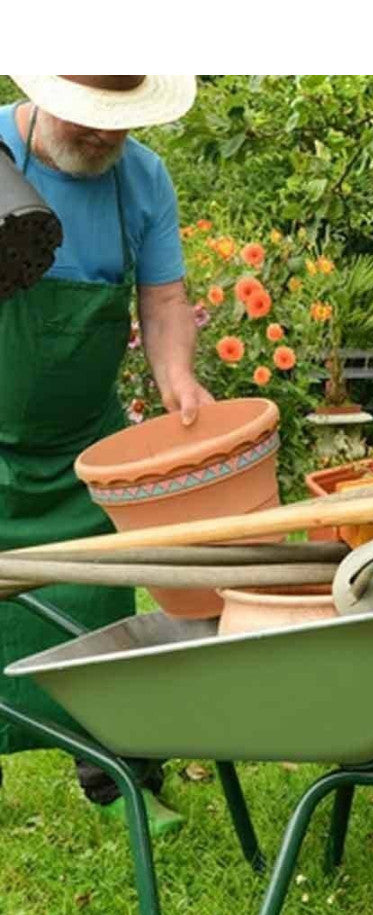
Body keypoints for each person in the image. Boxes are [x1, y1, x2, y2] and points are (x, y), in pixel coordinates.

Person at [0, 75, 213, 835]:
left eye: (117, 122)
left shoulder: (142, 179)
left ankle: (121, 774)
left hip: (79, 456)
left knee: (96, 616)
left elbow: (161, 302)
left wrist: (179, 381)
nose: (100, 134)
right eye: (87, 116)